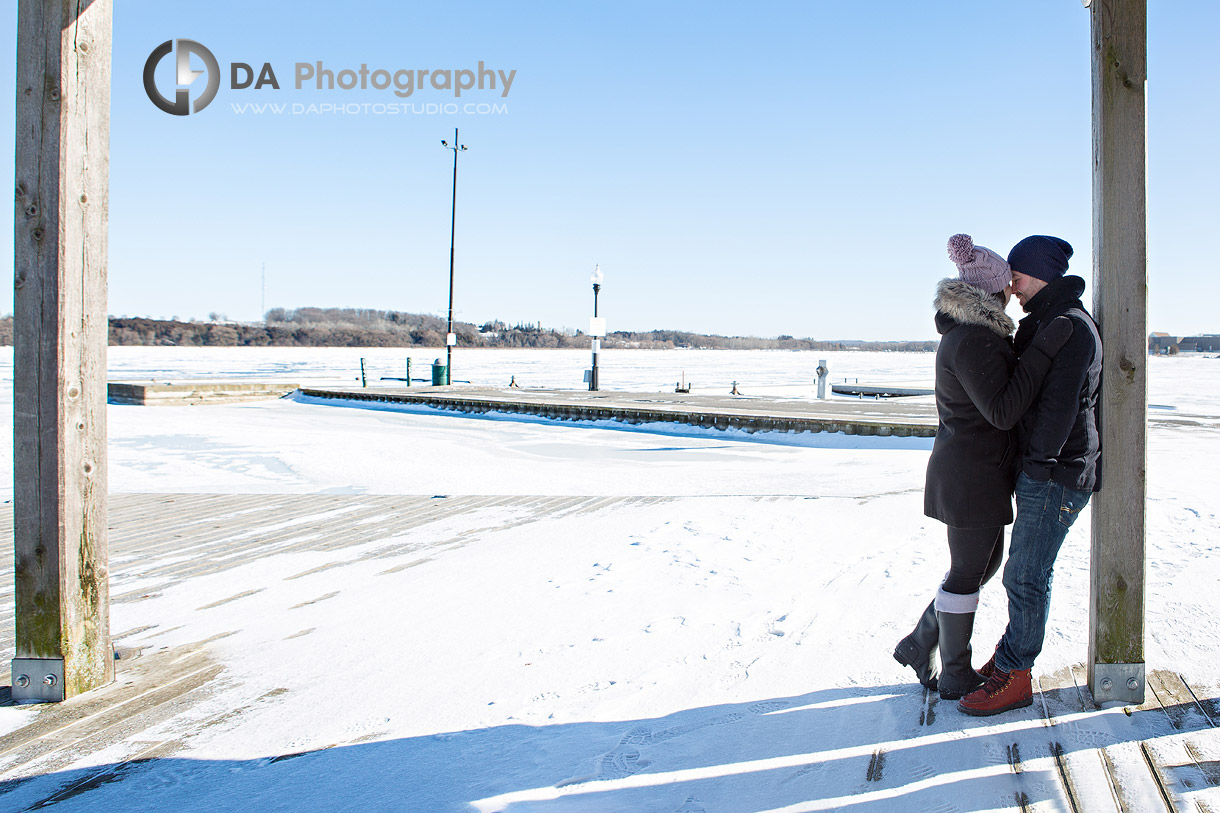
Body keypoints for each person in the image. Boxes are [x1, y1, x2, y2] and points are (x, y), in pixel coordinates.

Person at [894, 234, 1072, 700]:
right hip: (971, 474)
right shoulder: (974, 339)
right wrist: (1041, 352)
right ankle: (953, 672)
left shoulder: (973, 334)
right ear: (991, 292)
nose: (1014, 293)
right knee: (967, 572)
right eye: (1007, 287)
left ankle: (920, 642)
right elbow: (1002, 411)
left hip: (974, 470)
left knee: (980, 566)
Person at [958, 235, 1102, 716]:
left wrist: (1037, 469)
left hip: (1056, 473)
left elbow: (1060, 409)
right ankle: (1007, 661)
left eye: (1017, 275)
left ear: (1042, 274)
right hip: (1043, 470)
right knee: (1024, 574)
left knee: (1025, 577)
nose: (1012, 285)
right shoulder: (1046, 322)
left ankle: (1016, 675)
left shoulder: (1070, 328)